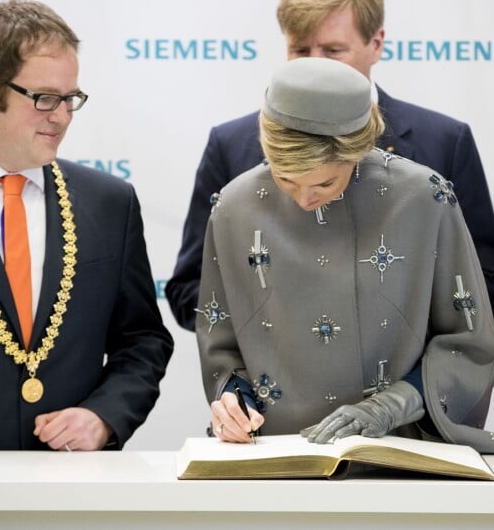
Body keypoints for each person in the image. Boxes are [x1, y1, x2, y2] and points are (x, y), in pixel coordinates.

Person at [166, 0, 494, 332]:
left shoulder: (445, 143)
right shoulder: (231, 145)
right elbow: (188, 291)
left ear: (377, 44)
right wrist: (278, 311)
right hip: (273, 383)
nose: (315, 68)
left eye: (333, 50)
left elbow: (482, 282)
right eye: (301, 50)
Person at [196, 56, 494, 453]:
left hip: (400, 455)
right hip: (275, 457)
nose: (304, 199)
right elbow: (221, 338)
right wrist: (233, 400)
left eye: (324, 182)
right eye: (285, 179)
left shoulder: (425, 200)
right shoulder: (234, 208)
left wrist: (398, 403)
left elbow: (468, 340)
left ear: (357, 152)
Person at [0, 0, 173, 451]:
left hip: (72, 487)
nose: (62, 116)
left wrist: (103, 416)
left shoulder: (110, 203)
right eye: (44, 98)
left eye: (70, 98)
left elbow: (143, 340)